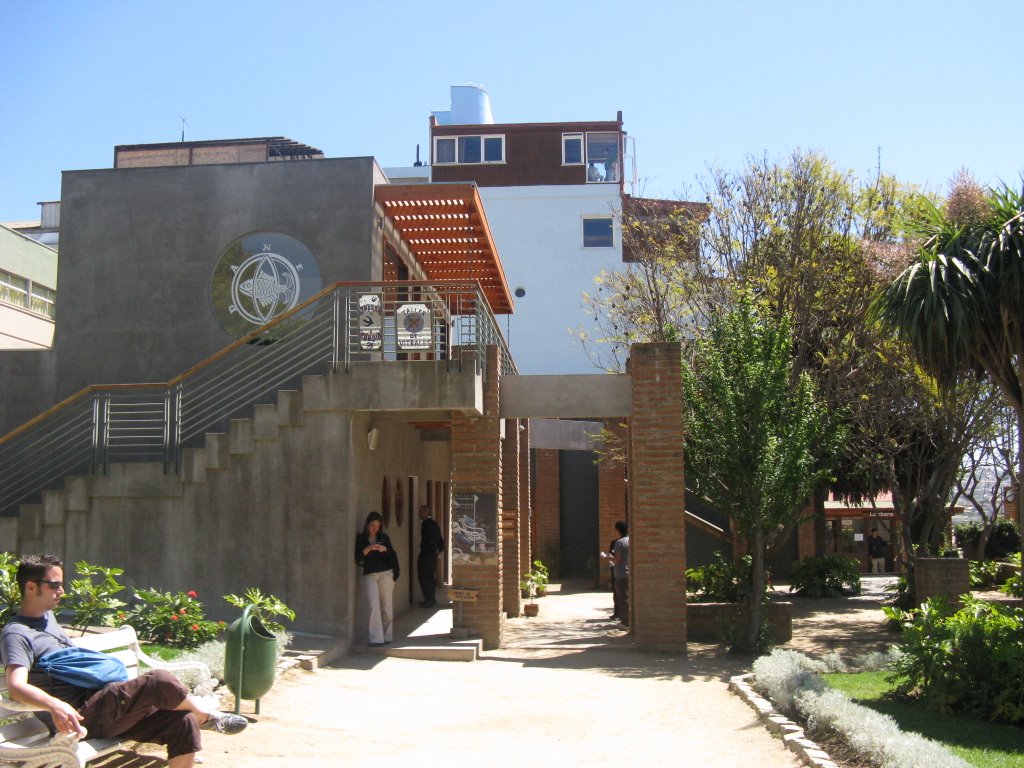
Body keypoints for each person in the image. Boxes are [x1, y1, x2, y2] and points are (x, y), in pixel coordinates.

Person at [1, 554, 246, 768]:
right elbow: (16, 685)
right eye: (54, 585)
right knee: (158, 680)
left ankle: (199, 718)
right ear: (31, 588)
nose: (62, 591)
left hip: (106, 708)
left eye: (61, 584)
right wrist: (54, 705)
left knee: (182, 722)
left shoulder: (47, 618)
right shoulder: (18, 633)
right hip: (80, 717)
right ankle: (208, 717)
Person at [354, 511, 398, 646]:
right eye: (373, 525)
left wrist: (384, 549)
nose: (375, 528)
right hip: (370, 575)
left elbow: (392, 555)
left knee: (387, 605)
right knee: (374, 606)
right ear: (368, 524)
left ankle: (387, 636)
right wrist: (370, 547)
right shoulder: (361, 538)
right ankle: (376, 639)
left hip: (386, 573)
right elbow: (359, 556)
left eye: (378, 526)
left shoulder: (384, 537)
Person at [601, 521, 629, 626]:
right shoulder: (630, 540)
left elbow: (617, 559)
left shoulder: (619, 542)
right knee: (628, 598)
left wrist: (606, 557)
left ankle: (625, 622)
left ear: (618, 530)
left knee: (622, 599)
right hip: (629, 573)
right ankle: (628, 620)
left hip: (621, 574)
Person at [417, 505, 445, 608]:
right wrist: (437, 552)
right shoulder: (434, 524)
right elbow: (441, 541)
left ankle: (428, 599)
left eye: (421, 511)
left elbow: (428, 541)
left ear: (426, 512)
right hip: (432, 555)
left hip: (426, 554)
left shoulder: (426, 524)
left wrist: (429, 551)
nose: (419, 513)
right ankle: (431, 599)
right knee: (430, 577)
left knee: (424, 576)